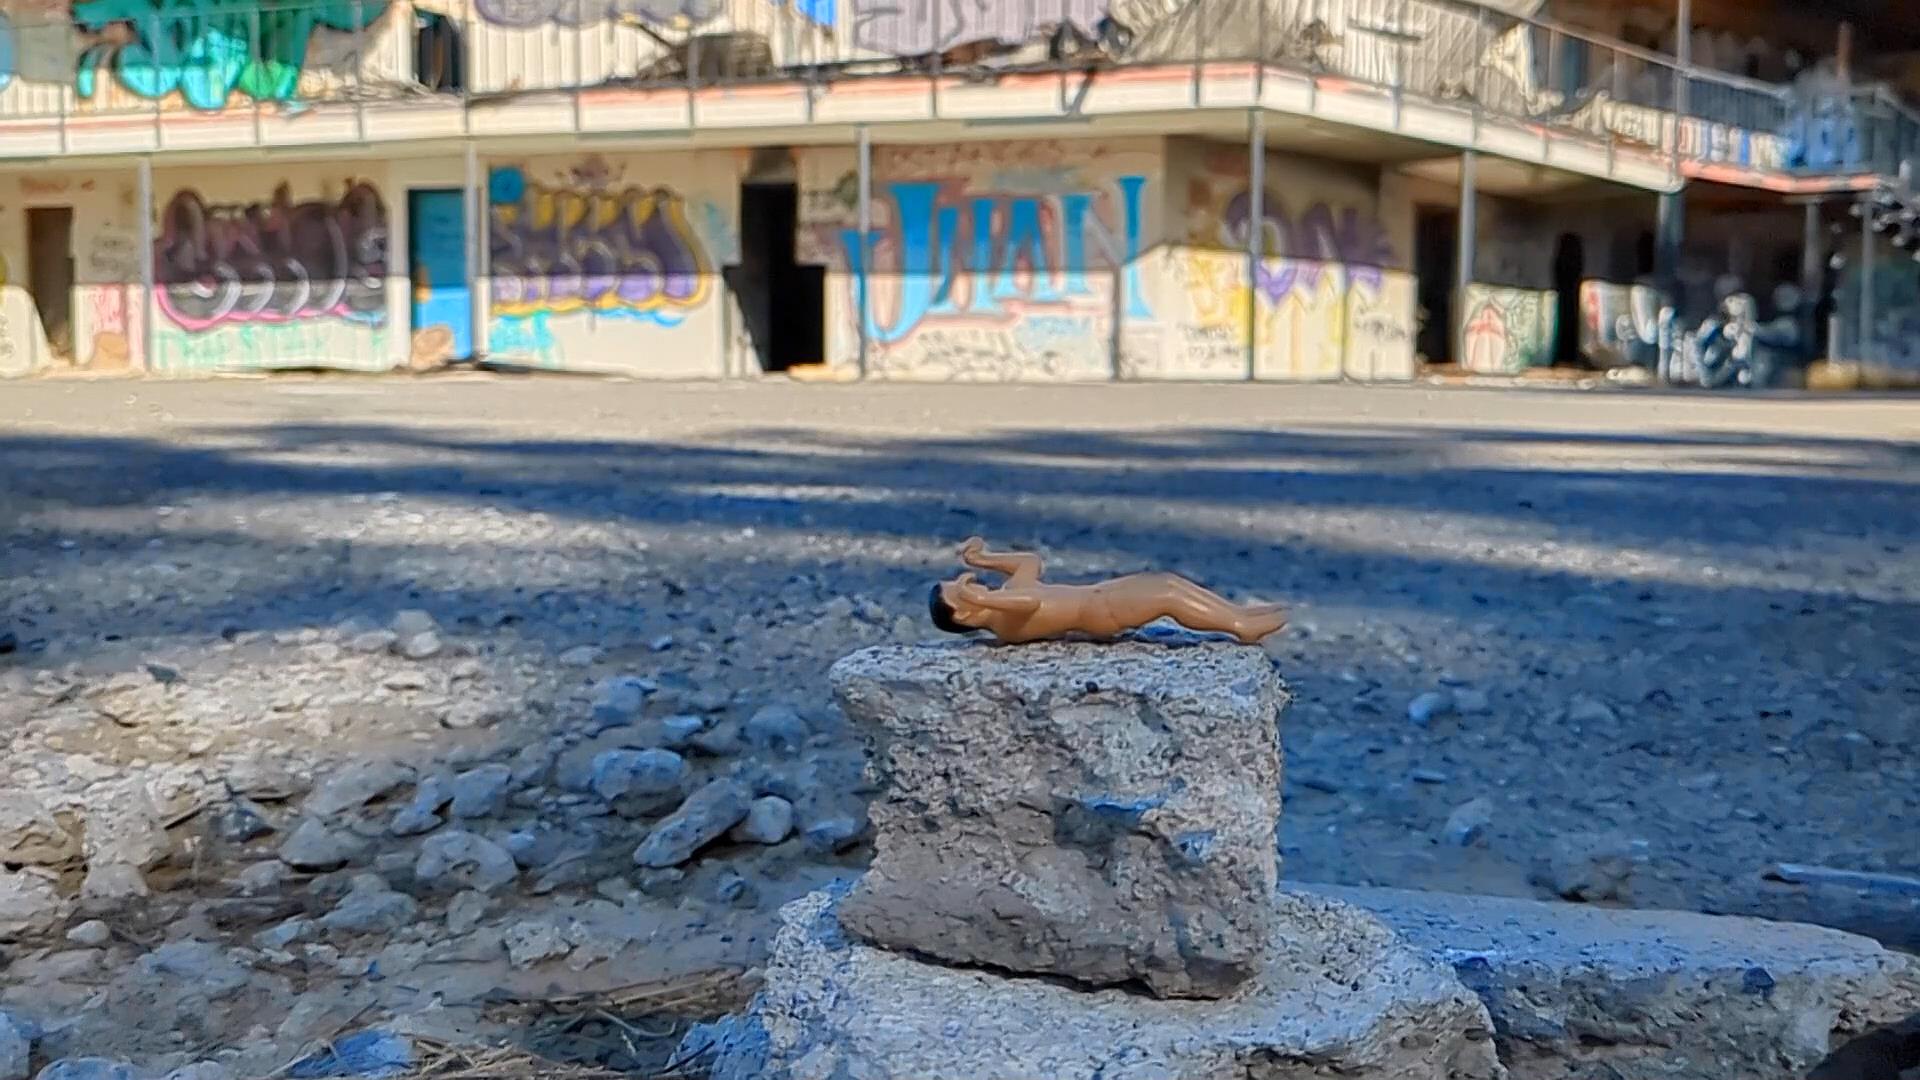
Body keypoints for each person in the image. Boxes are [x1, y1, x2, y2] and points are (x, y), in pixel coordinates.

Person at [929, 537, 1287, 645]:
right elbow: (1031, 601)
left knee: (1169, 582)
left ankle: (1237, 615)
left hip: (1099, 592)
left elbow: (1030, 563)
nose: (970, 585)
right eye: (960, 591)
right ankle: (1239, 627)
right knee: (1168, 597)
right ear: (963, 614)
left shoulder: (1003, 597)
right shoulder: (1005, 623)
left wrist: (986, 560)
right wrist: (985, 597)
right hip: (1098, 614)